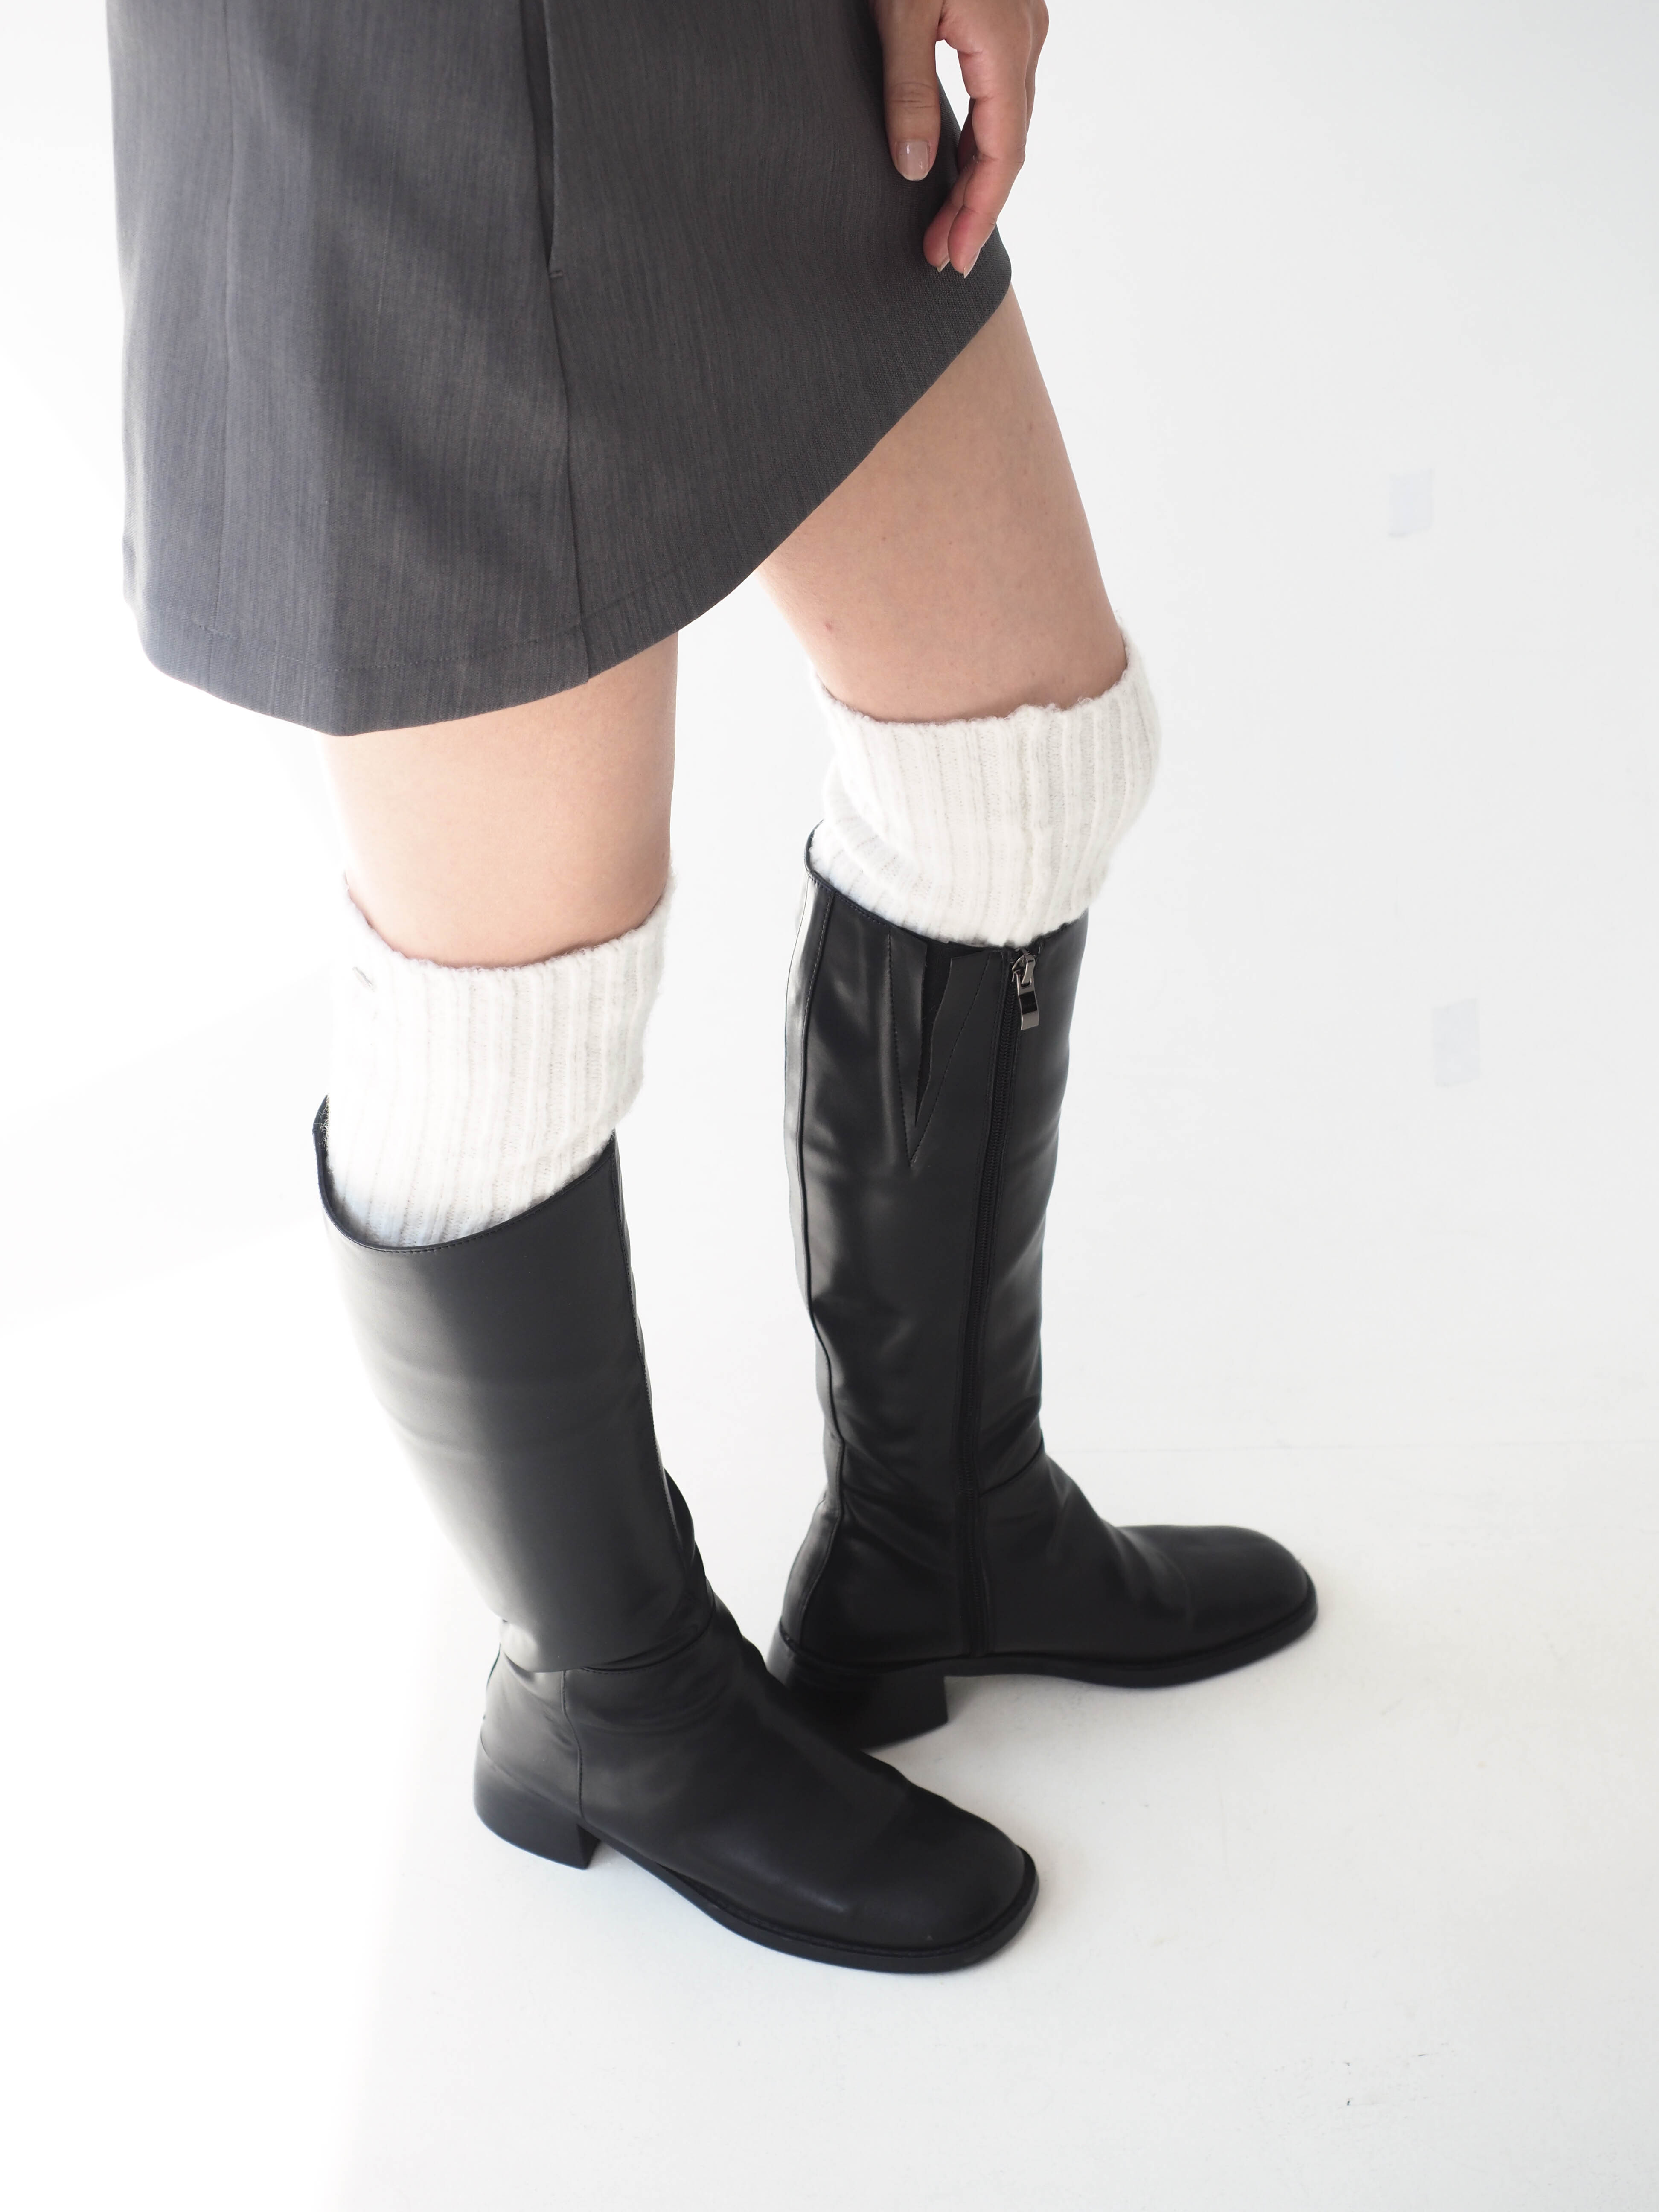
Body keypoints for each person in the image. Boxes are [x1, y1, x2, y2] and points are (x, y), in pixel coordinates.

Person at [107, 0, 1315, 1973]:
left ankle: (942, 1536)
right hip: (394, 67)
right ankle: (613, 1703)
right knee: (506, 1008)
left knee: (1020, 749)